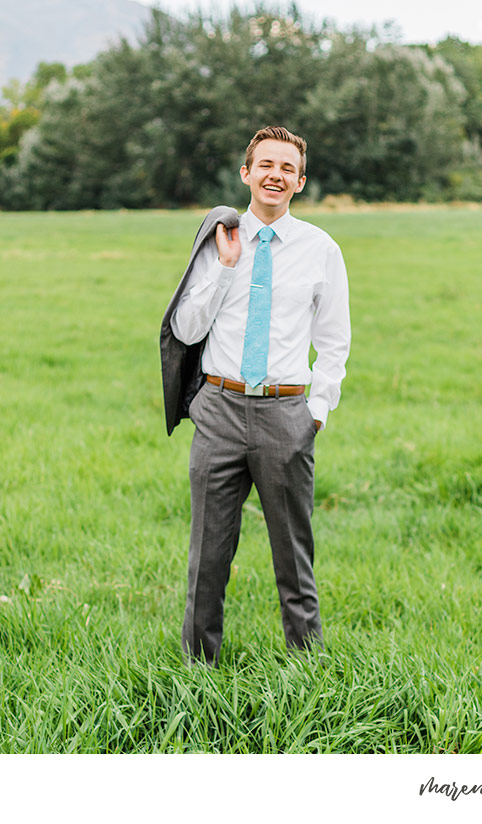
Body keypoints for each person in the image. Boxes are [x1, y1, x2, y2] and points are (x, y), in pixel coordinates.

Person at [167, 125, 351, 664]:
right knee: (208, 556)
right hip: (219, 413)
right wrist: (225, 268)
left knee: (294, 555)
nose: (276, 175)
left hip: (286, 414)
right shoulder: (217, 241)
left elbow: (334, 341)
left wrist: (315, 412)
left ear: (299, 182)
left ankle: (307, 666)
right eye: (266, 165)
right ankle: (199, 669)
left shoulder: (321, 250)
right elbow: (184, 328)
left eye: (287, 168)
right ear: (247, 173)